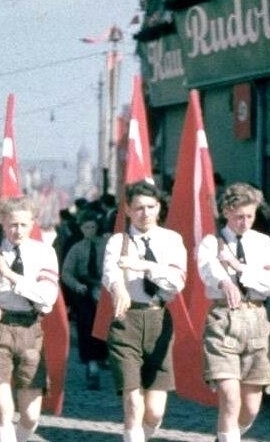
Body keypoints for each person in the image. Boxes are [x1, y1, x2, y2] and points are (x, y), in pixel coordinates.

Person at [197, 183, 270, 442]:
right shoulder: (212, 242)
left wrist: (239, 267)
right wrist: (224, 281)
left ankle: (226, 436)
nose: (245, 222)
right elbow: (207, 270)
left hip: (256, 319)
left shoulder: (263, 242)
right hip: (223, 319)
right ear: (226, 212)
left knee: (251, 407)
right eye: (238, 217)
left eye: (250, 216)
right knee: (230, 397)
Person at [102, 180, 187, 442]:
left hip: (158, 319)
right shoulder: (118, 241)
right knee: (132, 401)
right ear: (128, 210)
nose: (145, 213)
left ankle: (144, 434)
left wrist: (145, 266)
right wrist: (118, 289)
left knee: (154, 411)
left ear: (159, 207)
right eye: (139, 208)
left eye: (151, 207)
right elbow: (110, 272)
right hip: (126, 321)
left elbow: (177, 281)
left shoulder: (171, 240)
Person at [0, 196, 60, 442]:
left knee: (30, 415)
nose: (17, 231)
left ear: (32, 223)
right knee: (3, 407)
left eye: (22, 224)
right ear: (3, 223)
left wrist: (10, 275)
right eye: (12, 225)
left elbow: (47, 297)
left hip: (31, 329)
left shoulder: (44, 253)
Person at [59, 209, 109, 389]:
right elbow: (66, 272)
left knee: (104, 327)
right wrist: (76, 286)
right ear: (81, 229)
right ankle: (91, 364)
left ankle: (103, 357)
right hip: (84, 291)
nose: (90, 230)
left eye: (93, 227)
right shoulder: (77, 248)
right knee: (86, 327)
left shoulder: (106, 245)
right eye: (86, 227)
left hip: (104, 290)